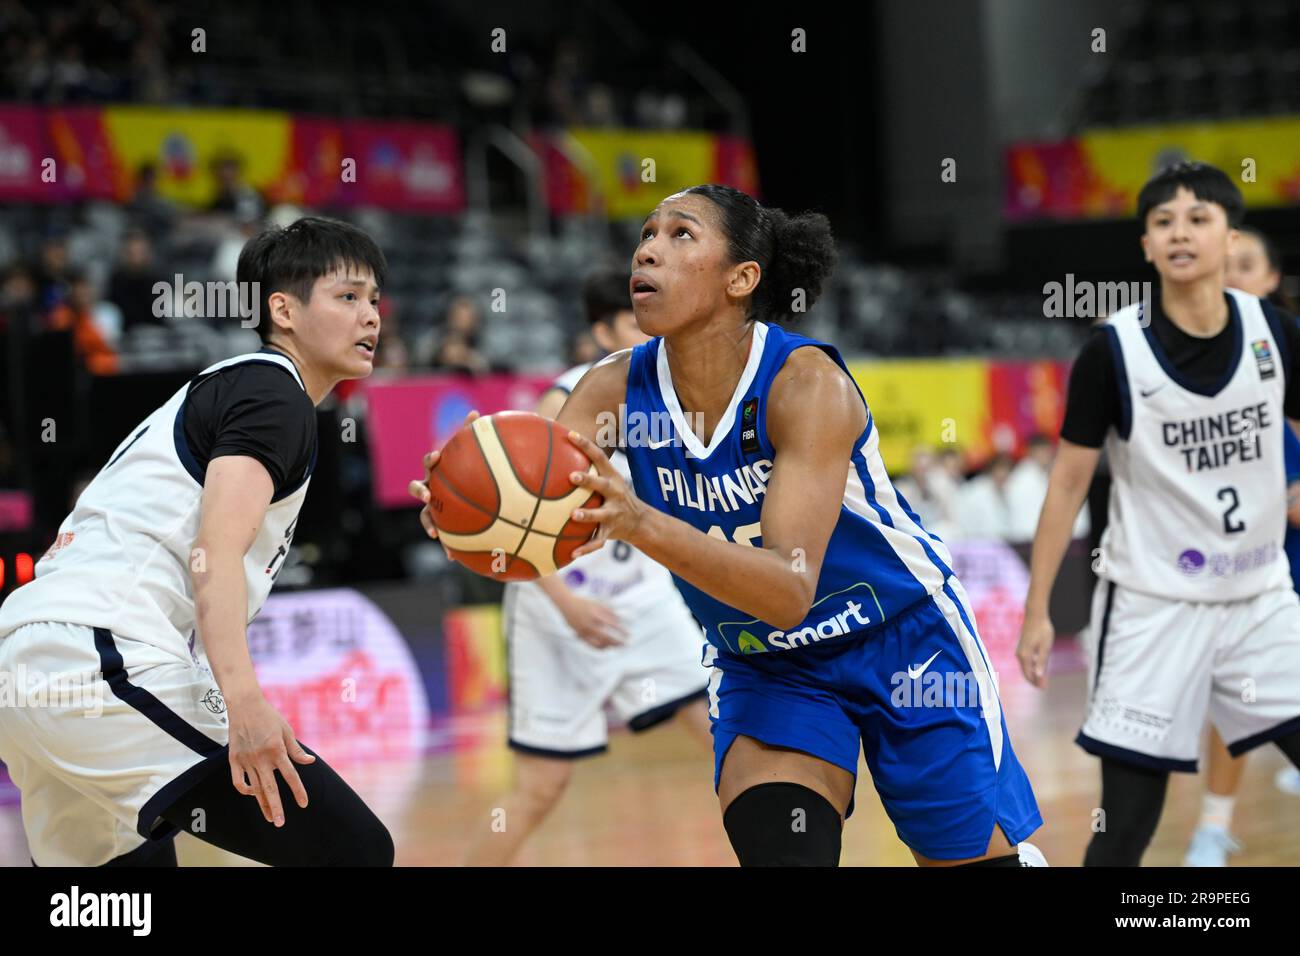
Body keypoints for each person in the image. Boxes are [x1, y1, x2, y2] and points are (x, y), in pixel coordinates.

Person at [415, 185, 1044, 866]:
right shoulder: (612, 389)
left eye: (681, 235)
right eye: (648, 233)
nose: (649, 247)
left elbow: (787, 591)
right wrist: (471, 506)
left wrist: (638, 522)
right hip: (767, 662)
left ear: (741, 279)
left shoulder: (804, 386)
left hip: (902, 639)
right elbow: (544, 511)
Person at [0, 217, 394, 866]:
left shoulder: (240, 388)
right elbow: (210, 552)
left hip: (36, 659)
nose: (371, 317)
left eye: (375, 299)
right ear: (284, 310)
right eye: (348, 297)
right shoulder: (276, 394)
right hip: (97, 654)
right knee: (353, 850)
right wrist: (244, 703)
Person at [1016, 162, 1300, 866]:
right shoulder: (1111, 352)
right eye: (1164, 222)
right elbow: (1067, 485)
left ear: (1228, 236)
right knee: (1127, 825)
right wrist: (1037, 610)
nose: (1181, 233)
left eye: (1199, 219)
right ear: (1145, 245)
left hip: (1260, 598)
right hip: (1154, 606)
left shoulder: (1275, 332)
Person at [466, 268, 712, 866]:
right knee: (541, 788)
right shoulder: (569, 394)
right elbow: (512, 517)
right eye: (633, 319)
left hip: (645, 600)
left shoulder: (679, 390)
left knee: (729, 740)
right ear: (604, 330)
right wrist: (568, 604)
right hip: (559, 609)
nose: (651, 329)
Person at [1183, 224, 1300, 866]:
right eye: (1220, 265)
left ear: (1272, 279)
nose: (1229, 276)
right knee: (1234, 695)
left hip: (1287, 556)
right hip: (1247, 562)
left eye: (1244, 264)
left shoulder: (1284, 352)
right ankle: (1212, 828)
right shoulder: (1192, 365)